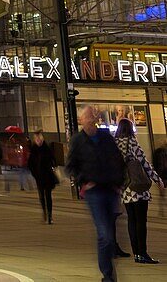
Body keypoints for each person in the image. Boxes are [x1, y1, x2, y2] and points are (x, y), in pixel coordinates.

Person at [66, 104, 126, 282]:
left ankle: (108, 272)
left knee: (110, 232)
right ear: (81, 120)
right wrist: (83, 180)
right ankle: (107, 275)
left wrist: (119, 183)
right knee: (105, 234)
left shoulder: (105, 137)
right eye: (88, 116)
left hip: (110, 189)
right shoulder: (77, 140)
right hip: (94, 193)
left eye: (93, 115)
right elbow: (70, 166)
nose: (91, 118)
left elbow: (118, 159)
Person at [114, 118, 163, 264]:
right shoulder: (132, 142)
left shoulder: (115, 144)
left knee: (132, 220)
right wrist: (157, 179)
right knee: (141, 221)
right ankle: (143, 253)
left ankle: (136, 253)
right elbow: (145, 164)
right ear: (130, 128)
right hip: (138, 187)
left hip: (125, 188)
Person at [27, 131, 58, 224]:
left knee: (48, 195)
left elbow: (53, 159)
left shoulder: (47, 148)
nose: (38, 140)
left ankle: (49, 216)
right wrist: (35, 174)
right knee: (41, 196)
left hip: (47, 175)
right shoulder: (33, 150)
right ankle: (44, 213)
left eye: (39, 138)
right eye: (36, 139)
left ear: (42, 138)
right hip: (39, 177)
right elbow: (30, 164)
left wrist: (53, 166)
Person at [153, 142, 167, 219]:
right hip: (164, 173)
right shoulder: (163, 153)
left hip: (161, 174)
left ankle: (161, 208)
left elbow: (156, 164)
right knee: (162, 192)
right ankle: (161, 208)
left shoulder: (157, 152)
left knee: (162, 192)